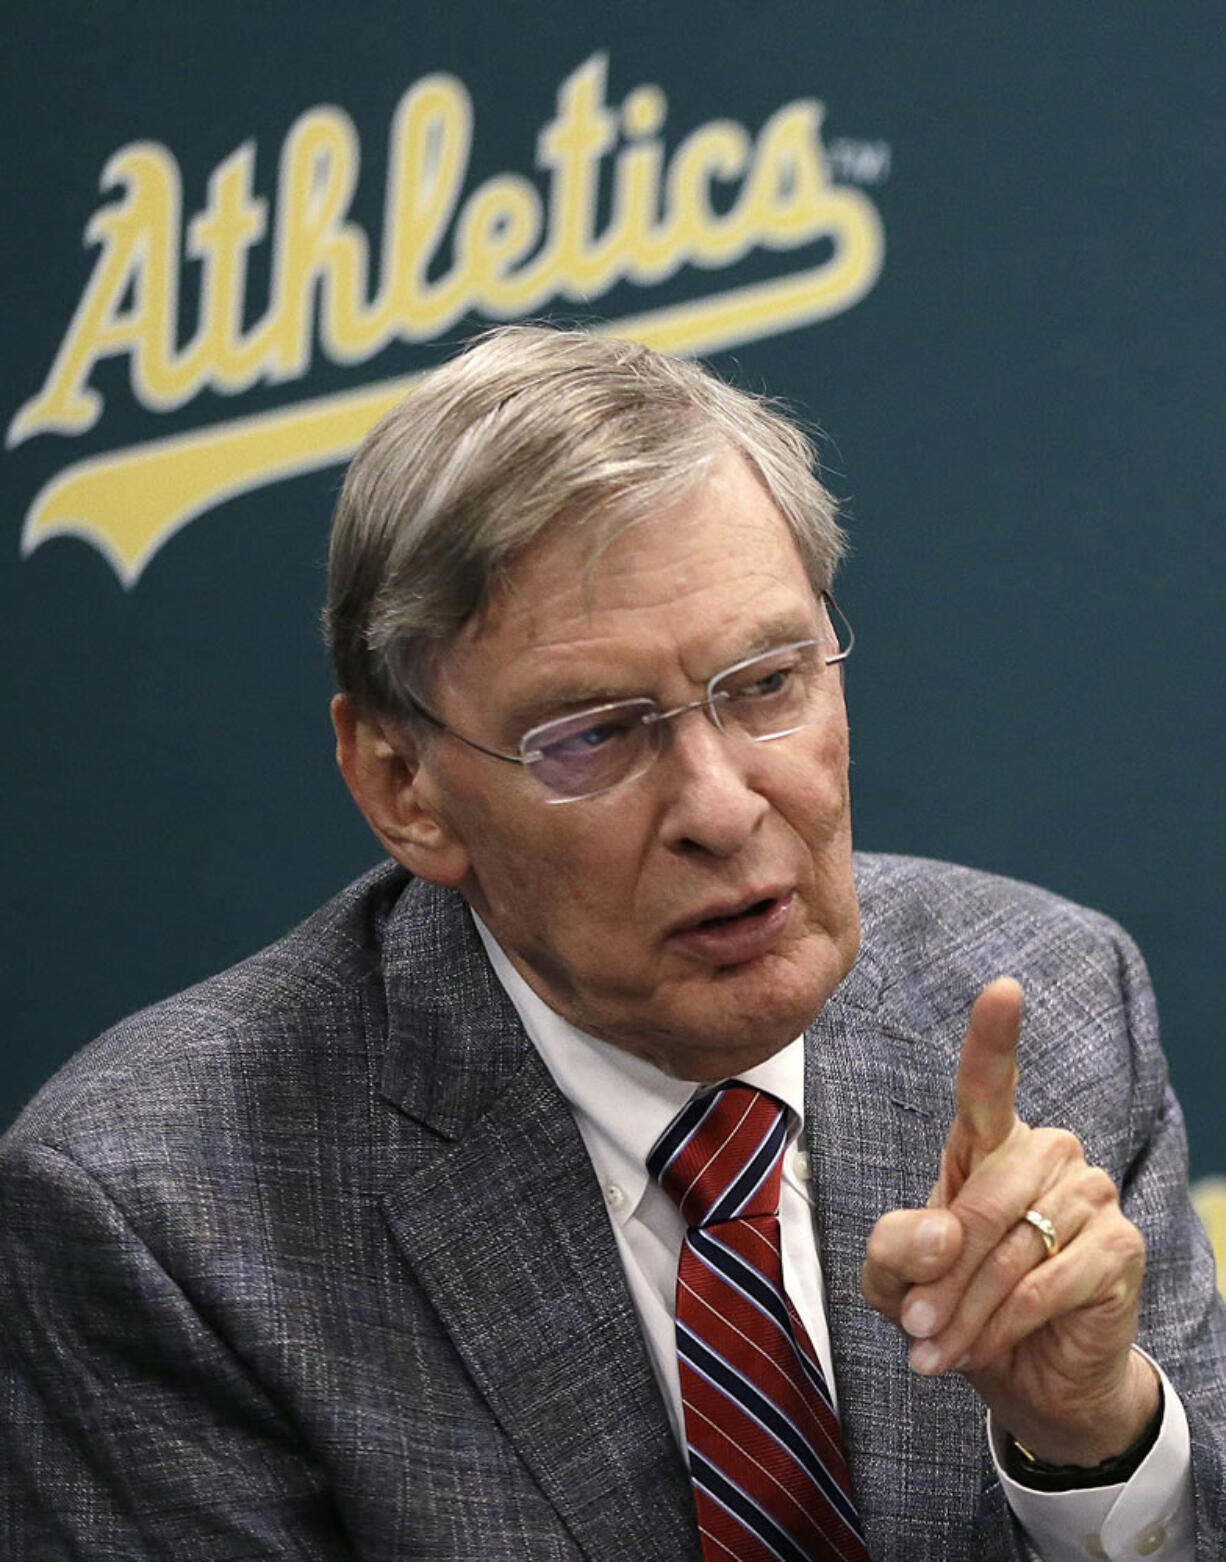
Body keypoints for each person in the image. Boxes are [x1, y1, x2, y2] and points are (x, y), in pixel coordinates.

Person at [1, 326, 1223, 1561]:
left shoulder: (1053, 999)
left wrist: (1095, 1442)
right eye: (591, 734)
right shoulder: (157, 1215)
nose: (720, 806)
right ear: (400, 784)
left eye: (764, 682)